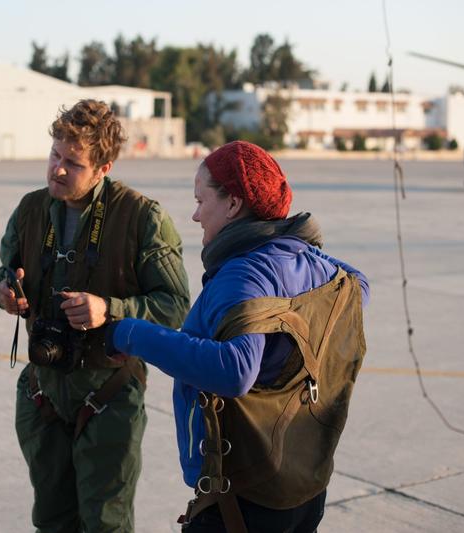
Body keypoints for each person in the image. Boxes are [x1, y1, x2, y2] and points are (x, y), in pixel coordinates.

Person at [105, 141, 370, 532]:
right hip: (302, 488)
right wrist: (304, 245)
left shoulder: (244, 273)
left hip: (243, 500)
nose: (195, 215)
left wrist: (128, 332)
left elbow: (234, 371)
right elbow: (358, 285)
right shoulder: (303, 261)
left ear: (233, 205)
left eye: (201, 200)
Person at [0, 99, 190, 532]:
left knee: (106, 524)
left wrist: (109, 311)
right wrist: (6, 292)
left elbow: (176, 307)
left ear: (104, 168)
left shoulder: (142, 218)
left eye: (73, 164)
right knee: (51, 520)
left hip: (108, 396)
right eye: (55, 156)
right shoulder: (30, 210)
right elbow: (3, 276)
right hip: (42, 394)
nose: (57, 170)